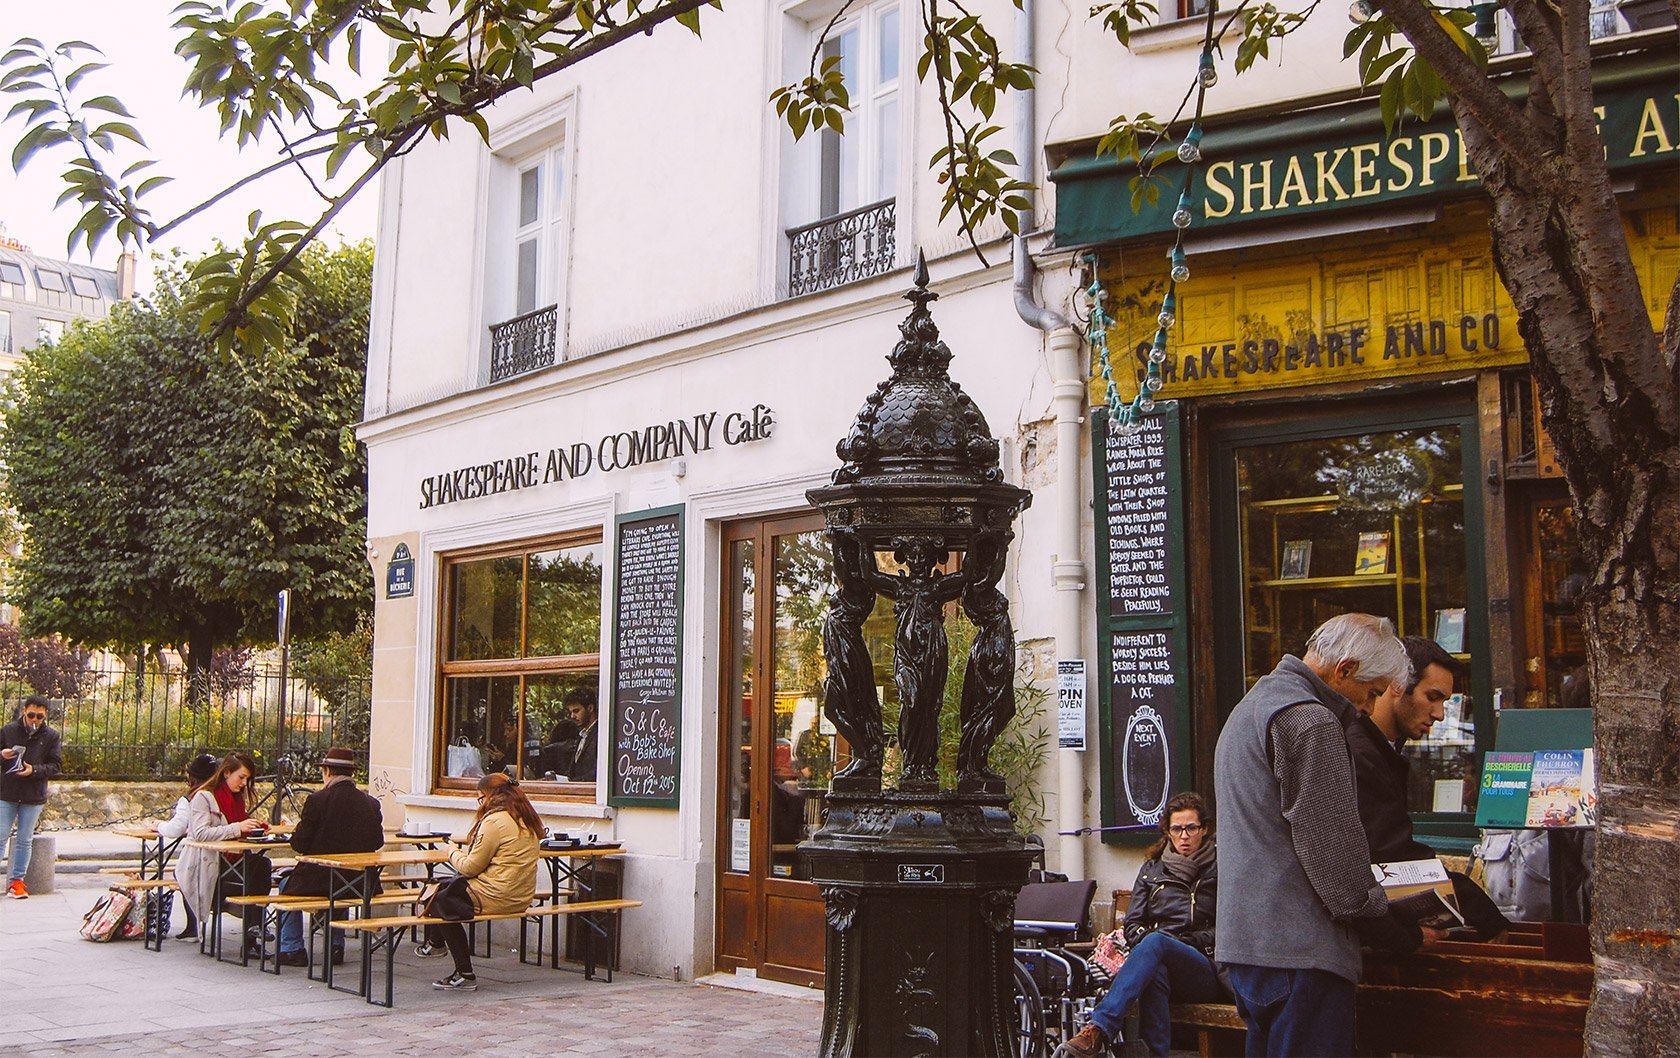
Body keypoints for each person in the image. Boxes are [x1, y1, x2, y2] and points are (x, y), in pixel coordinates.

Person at [1214, 613, 1408, 1057]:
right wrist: (1391, 929)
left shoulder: (1251, 706)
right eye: (1372, 692)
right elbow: (1332, 850)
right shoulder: (1310, 721)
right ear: (1346, 670)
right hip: (1301, 952)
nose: (1369, 706)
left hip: (1246, 946)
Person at [1348, 636, 1509, 947]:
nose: (1440, 713)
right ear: (1396, 685)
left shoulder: (1378, 750)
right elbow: (1388, 856)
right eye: (1432, 697)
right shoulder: (1362, 753)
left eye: (1445, 702)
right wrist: (1471, 901)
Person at [1060, 792, 1226, 1058]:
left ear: (1204, 830)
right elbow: (1133, 925)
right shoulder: (1151, 870)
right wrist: (1155, 942)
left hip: (1204, 967)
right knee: (1155, 968)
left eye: (1191, 828)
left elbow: (1228, 928)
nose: (1184, 836)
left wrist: (1183, 942)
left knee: (1157, 943)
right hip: (1159, 964)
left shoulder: (1221, 869)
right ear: (1168, 832)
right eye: (1177, 829)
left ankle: (1099, 1027)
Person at [415, 772, 541, 990]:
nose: (479, 803)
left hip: (495, 896)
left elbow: (470, 867)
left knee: (440, 896)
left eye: (480, 798)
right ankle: (435, 943)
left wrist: (451, 851)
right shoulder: (526, 818)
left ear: (489, 796)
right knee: (442, 887)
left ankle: (462, 971)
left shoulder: (494, 820)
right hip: (521, 897)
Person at [275, 747, 384, 966]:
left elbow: (299, 843)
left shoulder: (317, 800)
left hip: (320, 881)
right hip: (360, 883)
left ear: (327, 771)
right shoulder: (371, 803)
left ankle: (292, 947)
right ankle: (335, 946)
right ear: (351, 773)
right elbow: (377, 842)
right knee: (340, 885)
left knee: (285, 885)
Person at [174, 751, 272, 955]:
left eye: (247, 779)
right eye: (242, 777)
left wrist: (256, 829)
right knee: (258, 867)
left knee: (261, 865)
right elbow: (200, 833)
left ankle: (253, 930)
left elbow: (238, 823)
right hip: (209, 866)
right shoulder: (204, 797)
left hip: (231, 861)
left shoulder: (237, 798)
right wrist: (238, 827)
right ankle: (254, 928)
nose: (244, 783)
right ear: (227, 773)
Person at [0, 695, 62, 899]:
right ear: (24, 711)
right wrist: (3, 755)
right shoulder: (9, 730)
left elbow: (56, 766)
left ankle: (17, 882)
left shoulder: (51, 736)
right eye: (31, 715)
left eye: (40, 716)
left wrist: (34, 770)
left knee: (24, 840)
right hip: (7, 791)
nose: (35, 720)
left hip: (33, 794)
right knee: (0, 837)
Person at [157, 752, 220, 937]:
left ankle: (192, 925)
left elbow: (176, 829)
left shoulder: (192, 798)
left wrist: (158, 825)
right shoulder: (218, 795)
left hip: (201, 857)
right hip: (221, 855)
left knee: (182, 873)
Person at [564, 688, 599, 782]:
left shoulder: (600, 734)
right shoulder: (582, 735)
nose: (572, 716)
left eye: (576, 711)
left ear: (590, 708)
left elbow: (598, 771)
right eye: (570, 712)